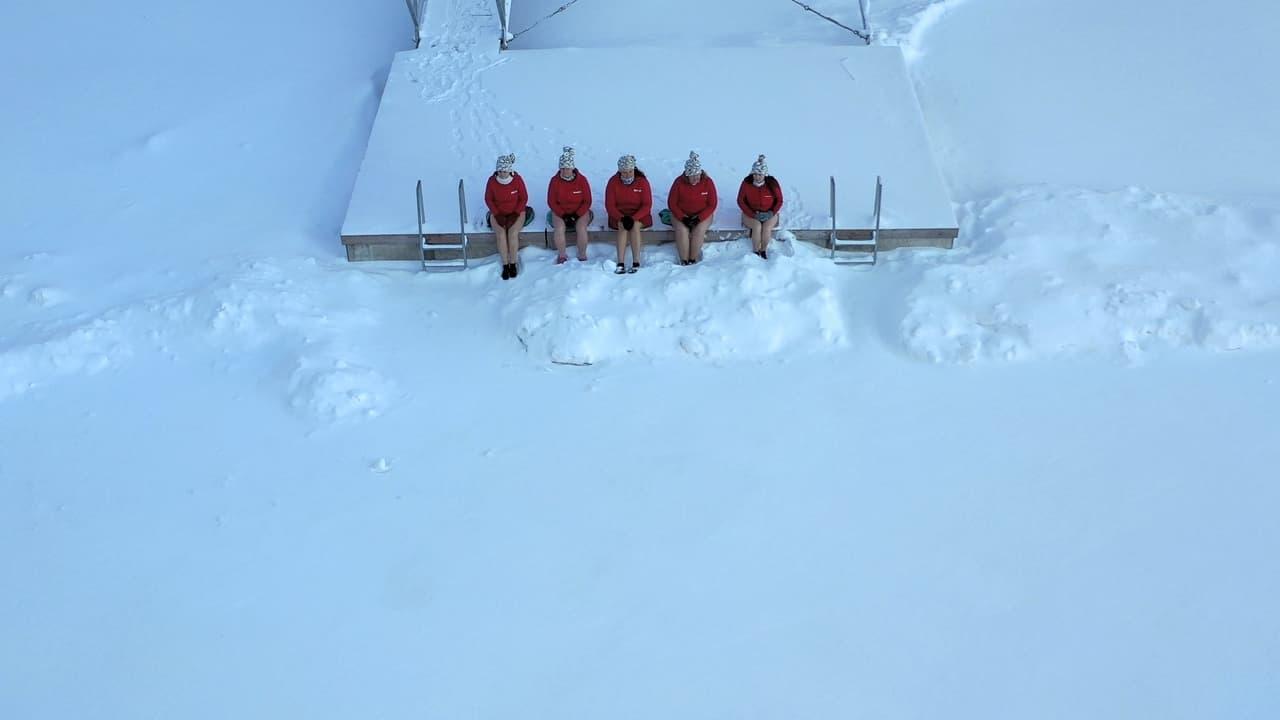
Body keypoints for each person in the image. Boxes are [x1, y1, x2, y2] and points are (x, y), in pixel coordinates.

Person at [604, 154, 653, 274]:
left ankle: (636, 261)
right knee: (622, 226)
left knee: (634, 226)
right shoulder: (613, 182)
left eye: (630, 171)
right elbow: (610, 205)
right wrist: (621, 217)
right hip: (619, 215)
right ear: (620, 171)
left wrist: (634, 218)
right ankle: (620, 262)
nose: (627, 175)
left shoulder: (642, 182)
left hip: (639, 215)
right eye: (624, 172)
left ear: (634, 170)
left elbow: (647, 204)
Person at [667, 151, 717, 265]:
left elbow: (712, 204)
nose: (695, 178)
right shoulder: (678, 182)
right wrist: (682, 217)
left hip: (702, 214)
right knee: (682, 230)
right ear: (687, 175)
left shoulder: (708, 182)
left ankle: (693, 259)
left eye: (697, 175)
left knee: (698, 230)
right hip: (681, 213)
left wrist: (699, 218)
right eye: (692, 176)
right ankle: (684, 260)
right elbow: (672, 203)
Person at [484, 153, 529, 280]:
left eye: (505, 171)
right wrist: (497, 214)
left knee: (513, 233)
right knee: (500, 234)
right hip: (498, 213)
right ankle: (505, 264)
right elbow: (488, 199)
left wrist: (516, 213)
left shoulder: (517, 180)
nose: (503, 174)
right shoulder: (492, 181)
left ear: (510, 170)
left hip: (516, 212)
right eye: (500, 171)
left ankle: (513, 263)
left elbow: (523, 198)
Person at [547, 146, 592, 263]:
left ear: (572, 168)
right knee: (559, 228)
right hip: (560, 211)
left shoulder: (582, 180)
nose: (564, 171)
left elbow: (587, 201)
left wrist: (577, 215)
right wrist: (562, 214)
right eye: (562, 168)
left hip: (579, 211)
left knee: (581, 228)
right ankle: (562, 255)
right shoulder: (554, 181)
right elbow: (551, 201)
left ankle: (582, 254)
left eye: (567, 168)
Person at [737, 154, 784, 259]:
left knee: (766, 228)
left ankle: (763, 250)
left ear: (764, 174)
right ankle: (755, 250)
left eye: (760, 174)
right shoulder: (746, 183)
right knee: (757, 226)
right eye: (755, 174)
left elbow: (779, 200)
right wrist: (752, 214)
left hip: (770, 212)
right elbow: (740, 200)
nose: (757, 177)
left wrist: (771, 212)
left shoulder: (772, 184)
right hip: (751, 213)